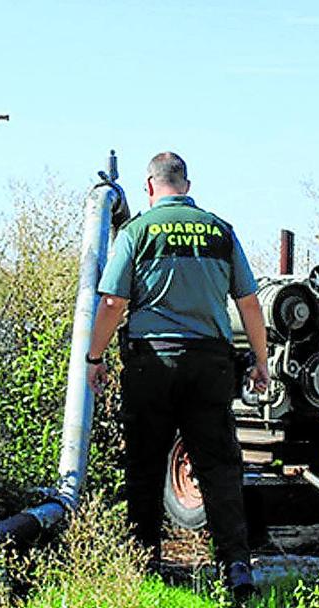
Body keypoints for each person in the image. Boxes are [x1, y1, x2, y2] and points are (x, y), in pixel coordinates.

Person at [85, 151, 270, 600]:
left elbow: (111, 302)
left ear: (150, 186)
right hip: (210, 364)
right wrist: (261, 361)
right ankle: (236, 568)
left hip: (152, 363)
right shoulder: (220, 231)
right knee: (219, 467)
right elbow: (249, 302)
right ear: (186, 185)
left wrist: (95, 357)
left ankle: (145, 565)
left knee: (145, 464)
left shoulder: (137, 231)